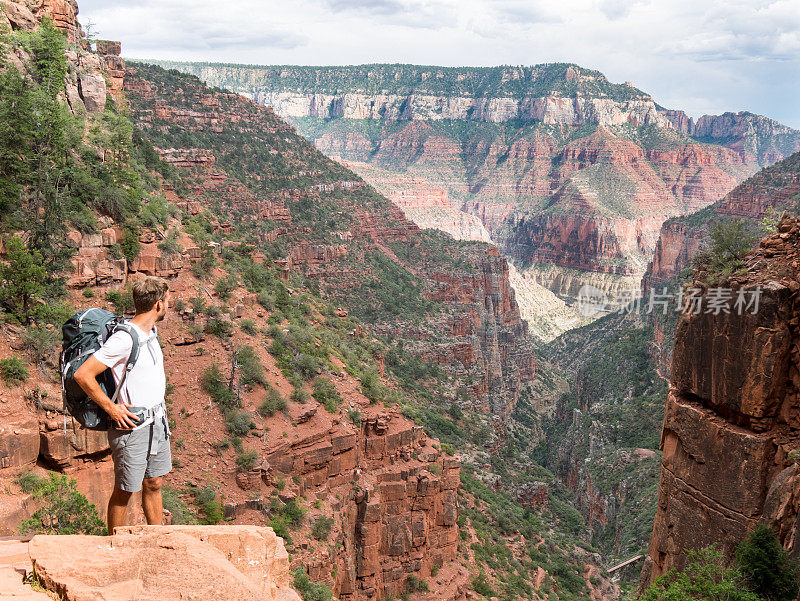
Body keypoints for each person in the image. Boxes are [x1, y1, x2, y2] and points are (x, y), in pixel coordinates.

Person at [75, 276, 171, 533]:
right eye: (168, 301)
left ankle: (157, 538)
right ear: (159, 305)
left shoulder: (150, 331)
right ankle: (116, 544)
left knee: (154, 483)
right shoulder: (124, 339)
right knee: (126, 489)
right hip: (132, 426)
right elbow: (83, 375)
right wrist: (111, 408)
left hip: (157, 421)